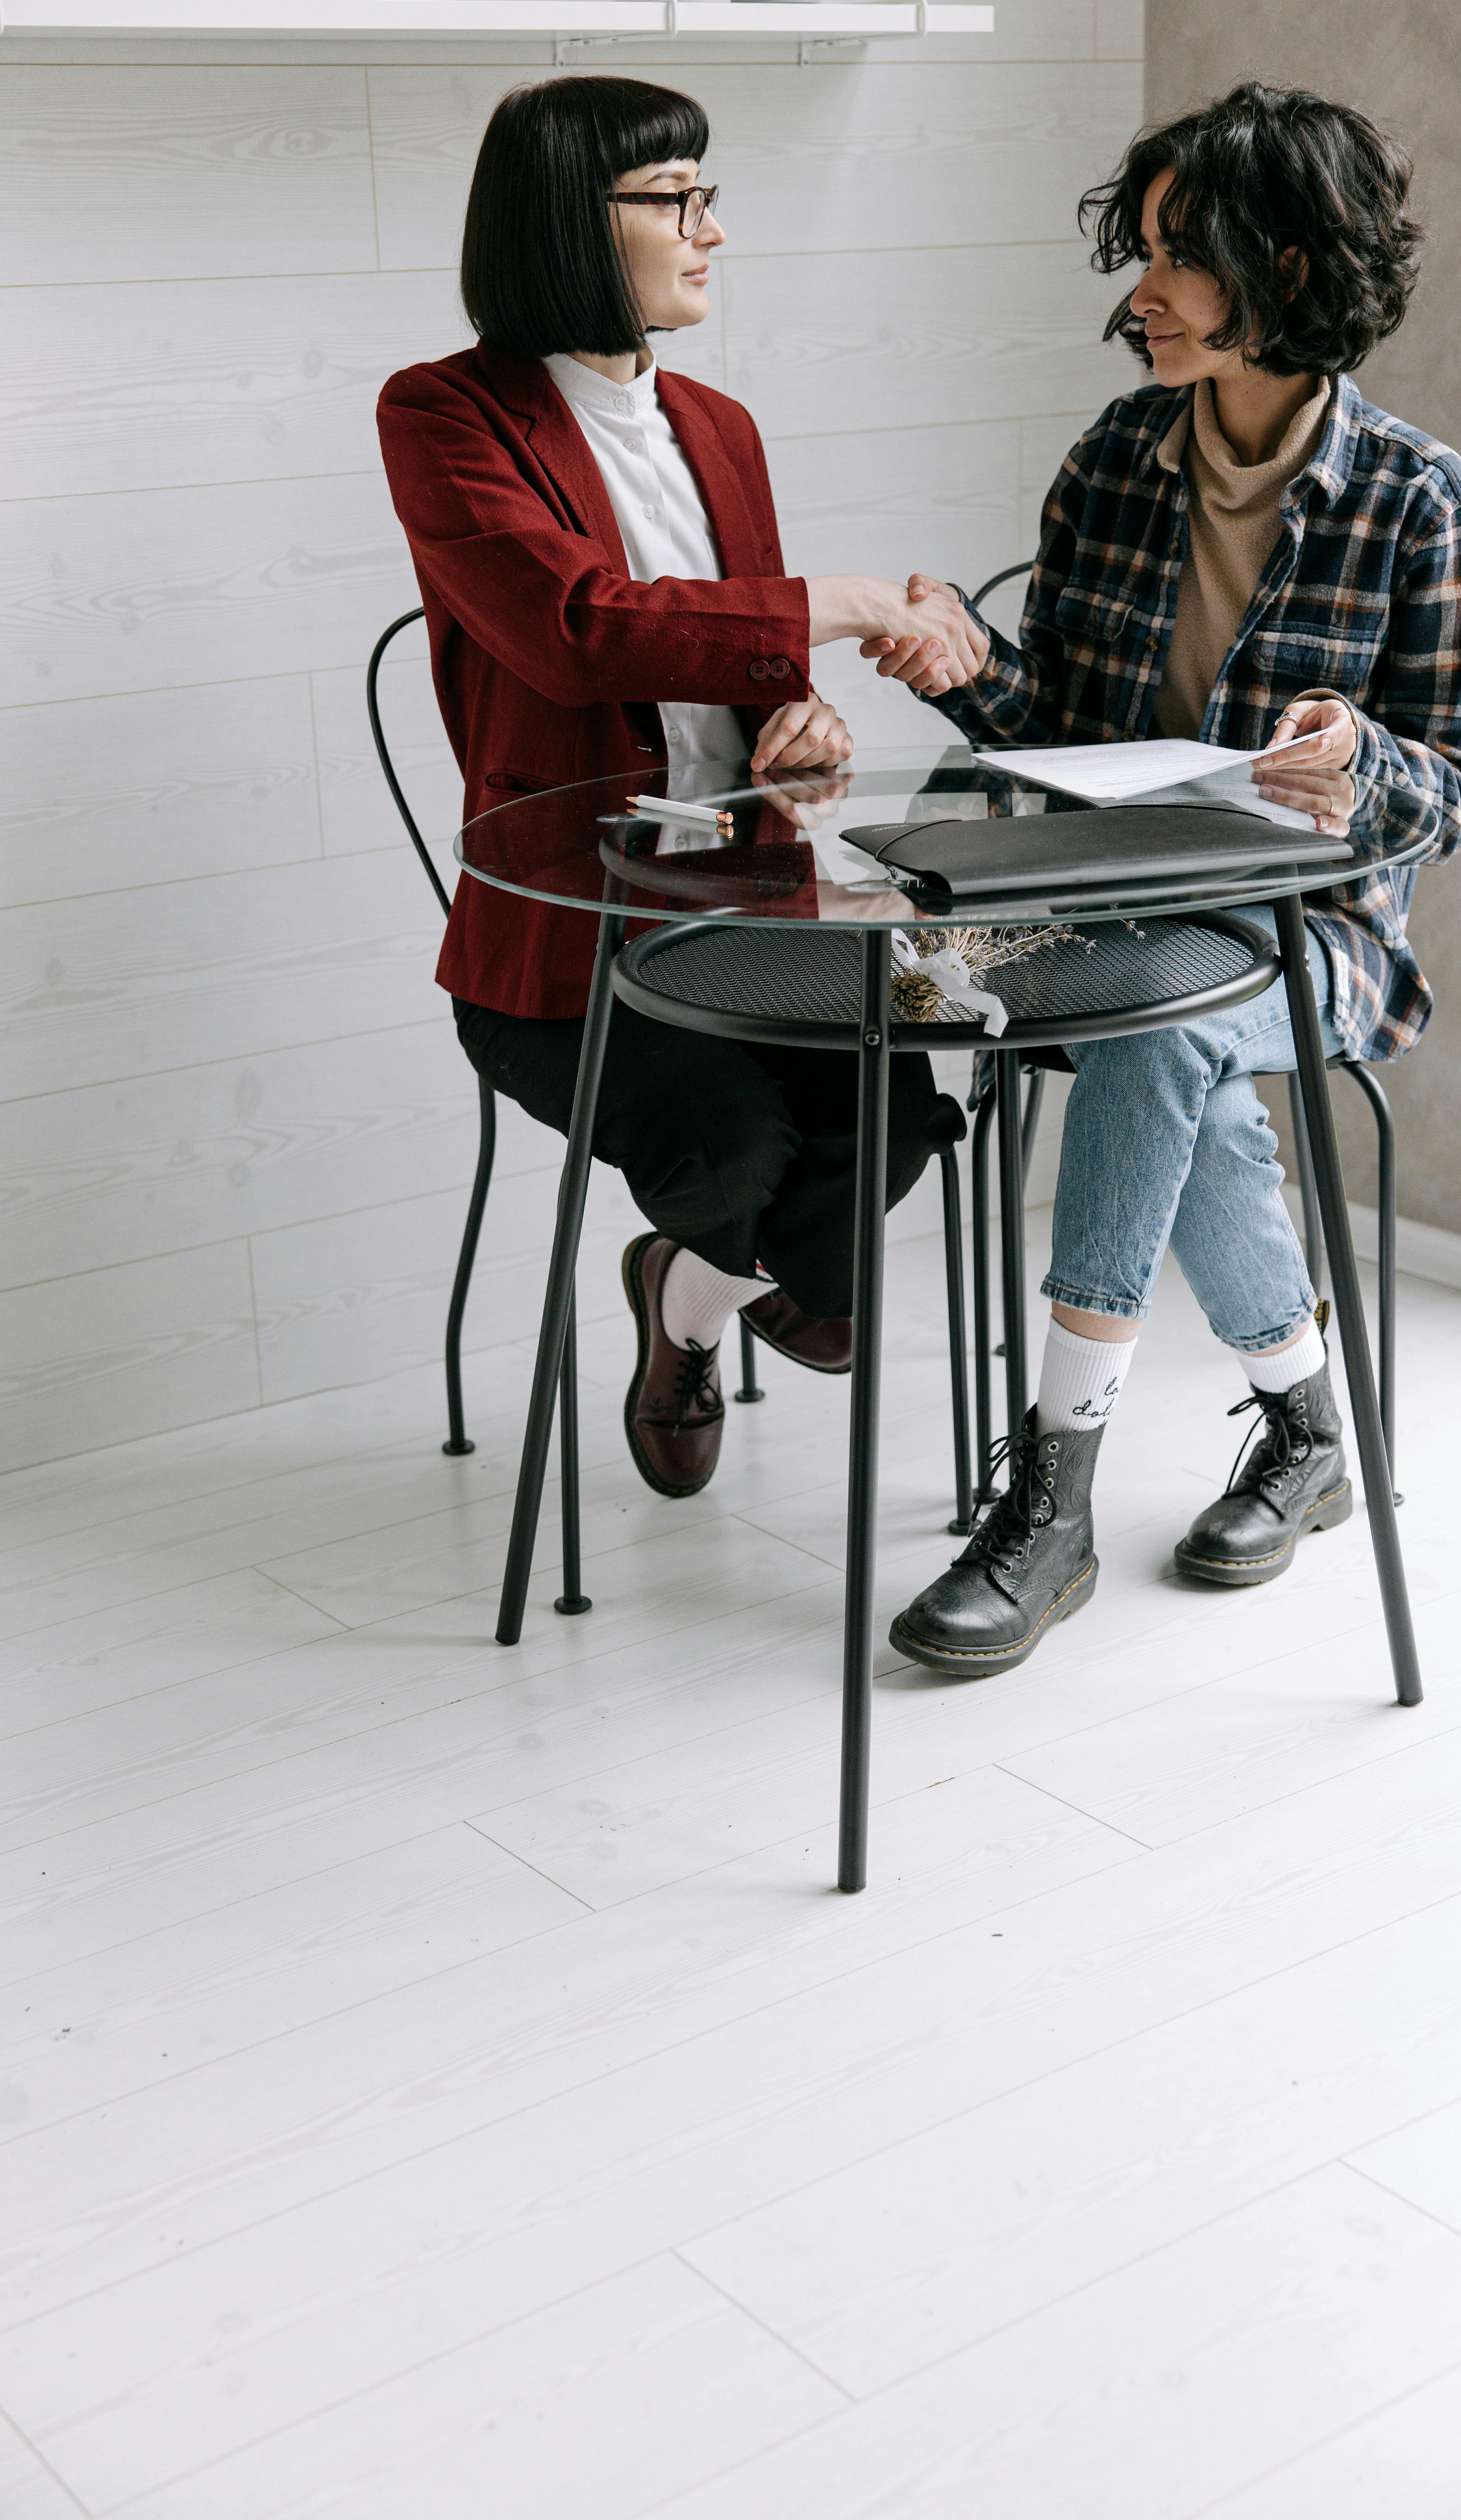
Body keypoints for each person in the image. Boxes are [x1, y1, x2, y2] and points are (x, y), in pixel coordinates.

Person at [870, 80, 1461, 1677]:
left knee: (1163, 1031)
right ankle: (1310, 1429)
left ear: (1283, 263)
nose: (1137, 293)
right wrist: (965, 668)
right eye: (1139, 252)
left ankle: (1052, 1502)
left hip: (1315, 938)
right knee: (1137, 1035)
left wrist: (1361, 759)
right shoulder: (1114, 458)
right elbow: (1060, 735)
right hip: (1106, 909)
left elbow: (1456, 795)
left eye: (1175, 256)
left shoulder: (1424, 503)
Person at [378, 77, 979, 1499]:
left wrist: (798, 719)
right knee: (738, 1155)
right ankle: (712, 1280)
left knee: (909, 1108)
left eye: (710, 196)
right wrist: (836, 602)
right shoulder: (446, 415)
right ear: (567, 221)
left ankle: (682, 1301)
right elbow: (576, 629)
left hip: (755, 912)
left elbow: (736, 664)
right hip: (569, 951)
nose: (712, 230)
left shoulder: (721, 426)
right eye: (674, 198)